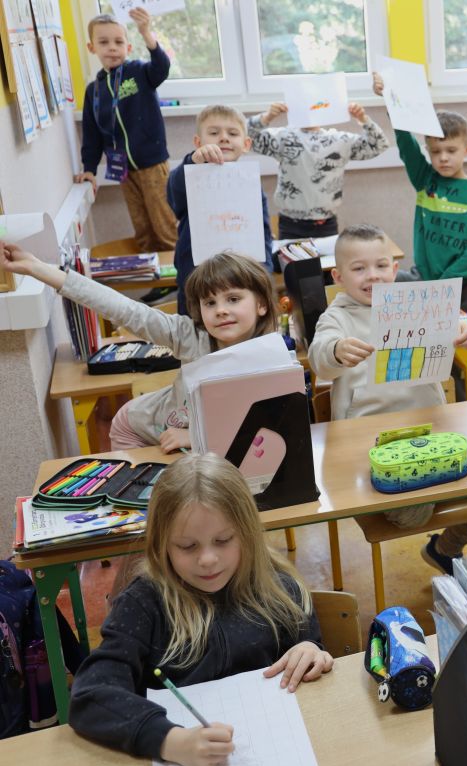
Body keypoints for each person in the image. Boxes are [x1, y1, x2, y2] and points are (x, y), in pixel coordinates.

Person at [69, 453, 332, 766]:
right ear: (162, 544)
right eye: (187, 546)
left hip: (279, 760)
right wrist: (169, 741)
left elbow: (310, 647)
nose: (208, 559)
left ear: (247, 532)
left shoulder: (280, 590)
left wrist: (311, 650)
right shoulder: (143, 605)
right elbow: (90, 695)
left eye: (223, 540)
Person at [307, 224, 467, 574]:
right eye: (359, 269)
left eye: (381, 266)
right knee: (412, 511)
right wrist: (336, 350)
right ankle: (440, 509)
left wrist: (464, 331)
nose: (373, 276)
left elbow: (459, 325)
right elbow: (318, 356)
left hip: (433, 436)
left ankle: (443, 549)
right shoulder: (336, 317)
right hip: (375, 448)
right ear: (338, 276)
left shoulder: (415, 304)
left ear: (394, 268)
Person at [0, 244, 283, 452]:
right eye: (210, 303)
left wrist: (198, 438)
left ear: (261, 305)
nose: (220, 310)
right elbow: (124, 309)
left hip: (197, 439)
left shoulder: (271, 355)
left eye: (233, 299)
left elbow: (265, 425)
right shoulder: (190, 336)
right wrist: (37, 268)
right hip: (139, 431)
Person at [372, 72, 467, 401]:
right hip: (425, 281)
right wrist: (391, 100)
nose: (443, 158)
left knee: (462, 349)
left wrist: (447, 283)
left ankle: (466, 404)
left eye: (451, 150)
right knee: (426, 347)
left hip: (464, 288)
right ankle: (426, 400)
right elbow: (406, 145)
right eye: (436, 151)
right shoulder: (426, 179)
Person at [77, 10, 177, 252]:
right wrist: (89, 169)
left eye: (118, 42)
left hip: (152, 165)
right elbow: (91, 134)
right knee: (142, 229)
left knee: (165, 226)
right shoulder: (94, 91)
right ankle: (152, 273)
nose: (112, 47)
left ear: (128, 47)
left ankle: (178, 272)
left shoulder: (139, 72)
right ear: (92, 48)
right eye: (104, 42)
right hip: (123, 170)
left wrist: (146, 33)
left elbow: (162, 68)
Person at [168, 104, 275, 316]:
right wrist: (193, 161)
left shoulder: (251, 183)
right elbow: (174, 196)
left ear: (246, 144)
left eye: (232, 133)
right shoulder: (188, 175)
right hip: (196, 282)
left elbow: (263, 233)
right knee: (196, 333)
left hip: (242, 282)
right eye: (214, 133)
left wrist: (265, 273)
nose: (224, 138)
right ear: (198, 142)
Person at [247, 101, 390, 240]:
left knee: (326, 257)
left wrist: (363, 119)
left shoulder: (339, 140)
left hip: (326, 223)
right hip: (290, 223)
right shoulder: (282, 138)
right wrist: (267, 117)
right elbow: (244, 137)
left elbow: (380, 144)